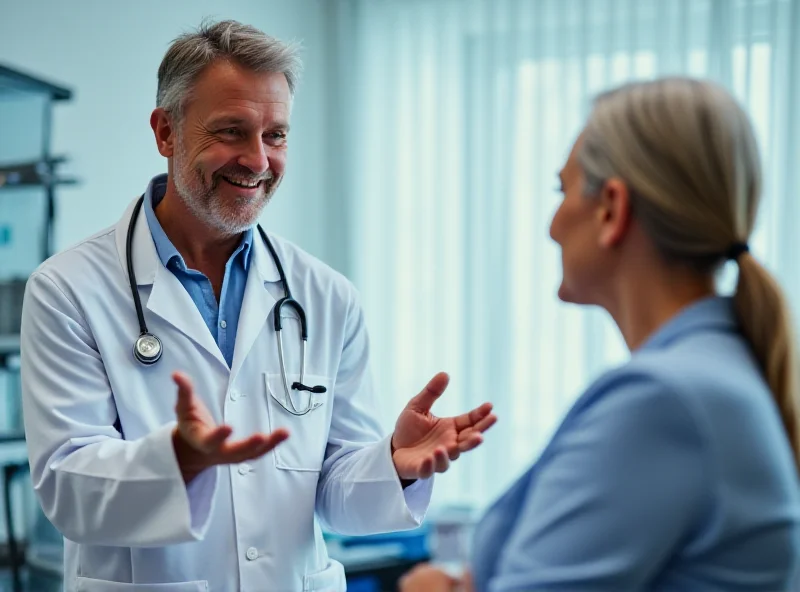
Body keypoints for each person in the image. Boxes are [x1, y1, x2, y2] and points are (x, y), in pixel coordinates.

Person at [20, 20, 496, 592]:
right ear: (165, 131)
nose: (257, 160)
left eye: (276, 135)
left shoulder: (324, 295)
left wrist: (392, 463)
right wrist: (178, 461)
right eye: (231, 131)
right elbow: (67, 487)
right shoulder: (68, 288)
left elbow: (334, 493)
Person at [399, 77, 800, 591]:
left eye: (562, 190)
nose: (551, 226)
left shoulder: (662, 401)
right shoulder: (722, 369)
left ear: (611, 208)